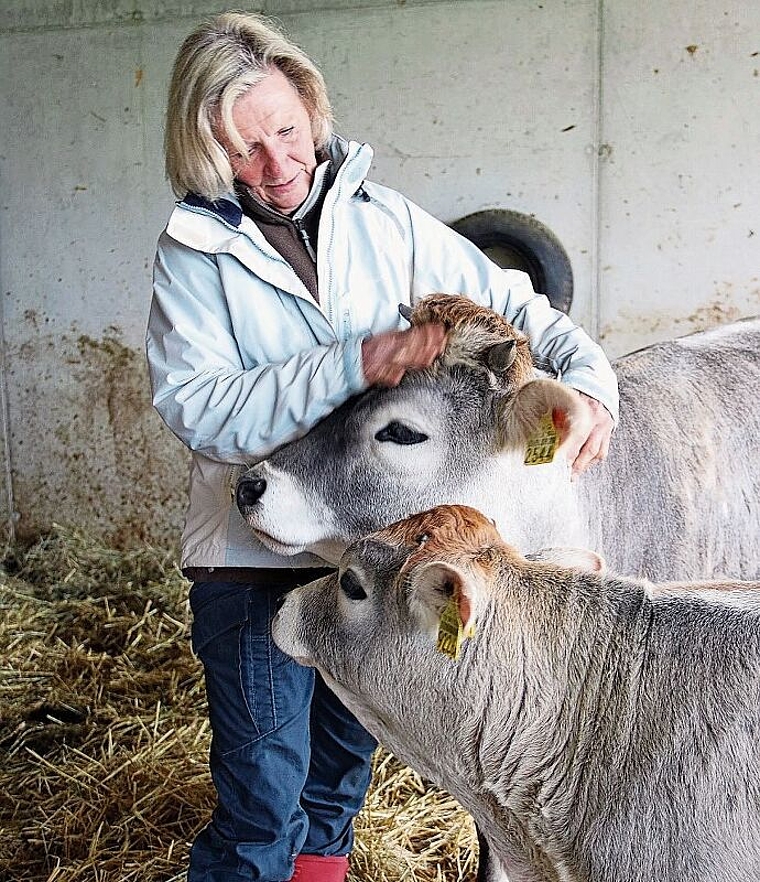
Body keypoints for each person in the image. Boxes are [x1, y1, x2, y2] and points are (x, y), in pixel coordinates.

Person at [145, 11, 619, 882]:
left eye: (288, 131)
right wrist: (357, 360)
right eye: (246, 149)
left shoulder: (384, 220)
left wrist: (590, 383)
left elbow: (524, 311)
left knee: (335, 785)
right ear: (205, 147)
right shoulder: (194, 255)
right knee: (262, 799)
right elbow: (198, 408)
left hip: (371, 554)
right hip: (254, 556)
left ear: (313, 113)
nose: (279, 164)